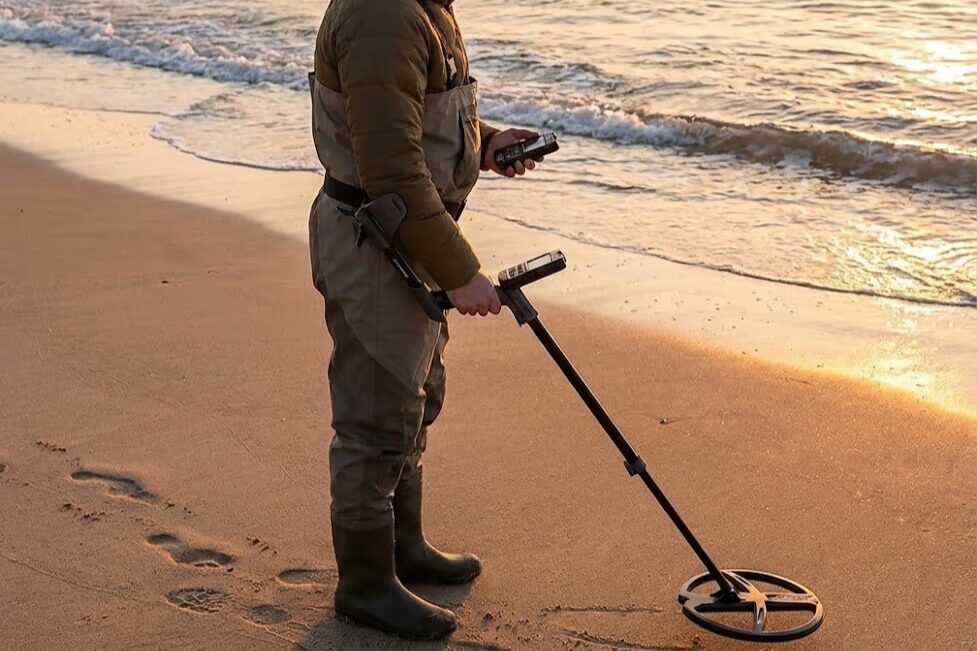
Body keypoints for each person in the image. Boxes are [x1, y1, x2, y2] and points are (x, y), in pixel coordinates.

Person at [308, 0, 540, 640]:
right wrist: (461, 270)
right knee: (376, 416)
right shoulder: (384, 13)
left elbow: (408, 120)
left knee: (413, 399)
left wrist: (485, 143)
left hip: (402, 239)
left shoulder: (423, 9)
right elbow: (390, 169)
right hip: (374, 241)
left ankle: (404, 548)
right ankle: (365, 584)